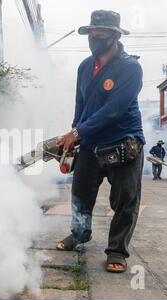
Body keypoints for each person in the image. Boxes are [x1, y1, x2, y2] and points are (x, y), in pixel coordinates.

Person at [55, 10, 145, 273]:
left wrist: (78, 132)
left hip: (123, 142)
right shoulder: (85, 66)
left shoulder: (130, 67)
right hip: (90, 143)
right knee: (81, 195)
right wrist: (74, 130)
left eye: (100, 32)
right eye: (91, 31)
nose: (93, 36)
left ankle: (117, 251)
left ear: (114, 36)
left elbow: (114, 110)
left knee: (125, 201)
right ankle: (80, 234)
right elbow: (81, 103)